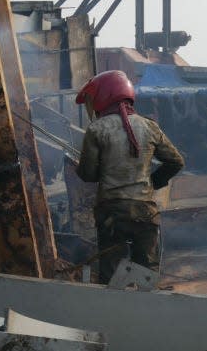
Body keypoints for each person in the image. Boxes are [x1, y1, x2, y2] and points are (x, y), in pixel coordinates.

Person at [75, 70, 184, 284]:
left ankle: (114, 315)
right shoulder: (149, 126)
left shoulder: (97, 129)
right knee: (146, 278)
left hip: (111, 213)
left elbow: (87, 175)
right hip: (145, 212)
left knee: (112, 279)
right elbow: (176, 161)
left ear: (104, 96)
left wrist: (100, 169)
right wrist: (154, 182)